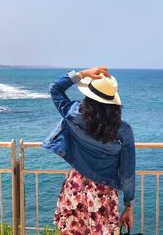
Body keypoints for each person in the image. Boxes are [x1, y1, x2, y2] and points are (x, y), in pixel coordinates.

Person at [42, 66, 136, 235]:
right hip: (104, 192)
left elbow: (54, 88)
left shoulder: (73, 113)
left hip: (75, 185)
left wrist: (82, 74)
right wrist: (128, 204)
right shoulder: (123, 130)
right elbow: (127, 172)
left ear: (89, 97)